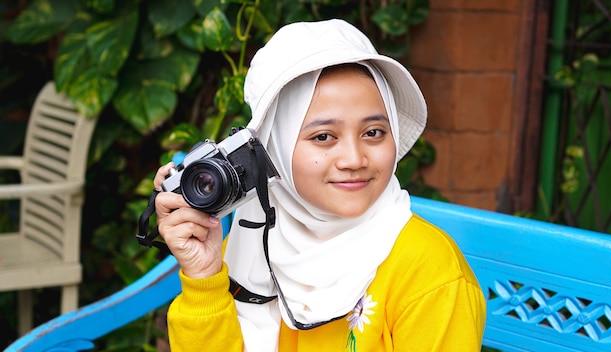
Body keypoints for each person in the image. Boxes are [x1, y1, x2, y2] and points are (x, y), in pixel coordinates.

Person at [153, 19, 486, 351]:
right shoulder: (255, 241)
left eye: (373, 132)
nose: (354, 159)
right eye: (324, 136)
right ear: (275, 149)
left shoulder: (430, 275)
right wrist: (204, 277)